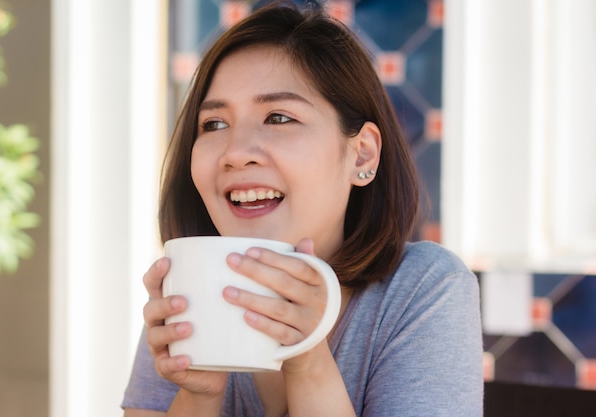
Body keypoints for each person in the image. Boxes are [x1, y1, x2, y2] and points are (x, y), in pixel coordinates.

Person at [122, 2, 483, 416]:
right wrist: (199, 395)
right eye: (214, 124)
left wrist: (308, 362)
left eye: (278, 117)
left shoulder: (425, 289)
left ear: (362, 155)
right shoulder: (188, 288)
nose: (236, 153)